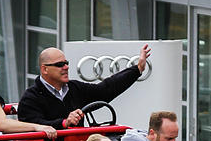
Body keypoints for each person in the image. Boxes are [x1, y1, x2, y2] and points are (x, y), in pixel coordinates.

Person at [17, 43, 151, 131]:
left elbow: (105, 90)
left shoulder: (74, 88)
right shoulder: (30, 98)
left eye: (66, 63)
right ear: (44, 69)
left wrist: (137, 69)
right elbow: (34, 125)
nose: (66, 67)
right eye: (60, 65)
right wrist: (64, 122)